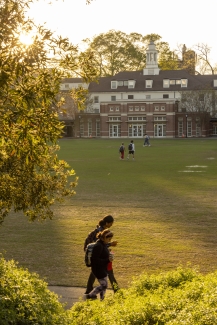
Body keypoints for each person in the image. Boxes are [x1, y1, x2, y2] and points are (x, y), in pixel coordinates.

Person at [84, 215, 119, 294]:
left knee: (94, 272)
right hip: (100, 257)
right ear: (107, 223)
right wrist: (110, 244)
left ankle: (89, 290)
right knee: (109, 272)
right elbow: (99, 244)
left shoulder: (100, 229)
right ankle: (116, 290)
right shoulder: (101, 231)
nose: (111, 225)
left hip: (99, 256)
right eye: (111, 223)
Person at [85, 229, 114, 300]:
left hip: (102, 268)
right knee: (104, 285)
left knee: (104, 284)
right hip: (98, 269)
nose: (109, 241)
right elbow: (95, 260)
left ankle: (102, 299)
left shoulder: (103, 244)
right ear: (104, 237)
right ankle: (91, 295)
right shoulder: (99, 246)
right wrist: (107, 260)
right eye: (109, 239)